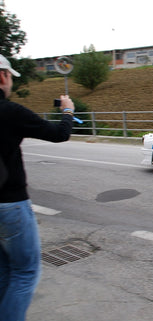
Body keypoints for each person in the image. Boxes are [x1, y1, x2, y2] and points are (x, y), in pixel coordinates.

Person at [0, 54, 75, 321]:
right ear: (2, 77)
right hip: (10, 205)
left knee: (5, 271)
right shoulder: (10, 112)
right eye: (9, 77)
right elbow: (59, 134)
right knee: (25, 272)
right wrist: (67, 110)